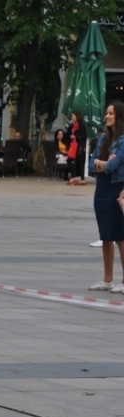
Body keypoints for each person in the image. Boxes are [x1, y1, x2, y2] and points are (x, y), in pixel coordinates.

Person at [88, 102, 124, 293]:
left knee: (119, 234)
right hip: (101, 189)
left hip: (116, 188)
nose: (106, 116)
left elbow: (114, 165)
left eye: (110, 113)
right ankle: (108, 278)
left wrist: (100, 163)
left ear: (118, 116)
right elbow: (90, 165)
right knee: (105, 234)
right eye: (106, 113)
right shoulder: (103, 139)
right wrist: (102, 163)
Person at [65, 112, 87, 186]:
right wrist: (70, 136)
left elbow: (84, 136)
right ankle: (74, 177)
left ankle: (82, 179)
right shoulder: (71, 126)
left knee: (80, 162)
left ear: (77, 117)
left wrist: (76, 137)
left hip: (79, 146)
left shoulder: (82, 126)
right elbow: (67, 135)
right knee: (70, 159)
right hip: (72, 145)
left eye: (73, 116)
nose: (71, 117)